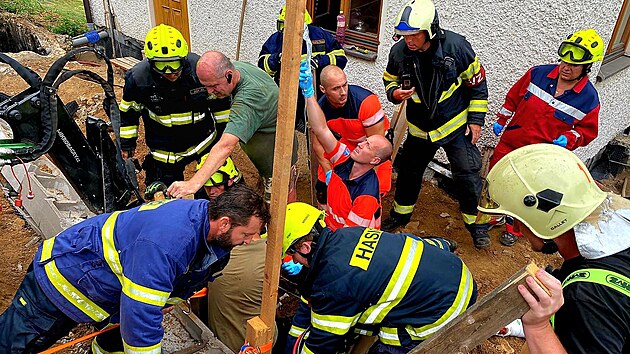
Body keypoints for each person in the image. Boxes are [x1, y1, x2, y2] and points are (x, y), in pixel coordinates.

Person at [0, 186, 269, 353]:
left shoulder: (205, 224)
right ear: (224, 223)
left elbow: (172, 287)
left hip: (100, 283)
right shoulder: (167, 243)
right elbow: (140, 314)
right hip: (60, 281)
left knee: (120, 333)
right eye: (246, 234)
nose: (250, 242)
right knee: (15, 343)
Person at [478, 143, 630, 354]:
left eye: (516, 219)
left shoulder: (587, 296)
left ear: (543, 217)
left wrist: (537, 327)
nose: (518, 227)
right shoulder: (622, 224)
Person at [282, 202, 475, 353]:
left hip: (443, 312)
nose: (295, 261)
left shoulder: (333, 283)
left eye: (292, 253)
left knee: (386, 345)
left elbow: (321, 345)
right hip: (456, 273)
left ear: (305, 248)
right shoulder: (347, 235)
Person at [381, 0, 491, 248]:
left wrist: (475, 121)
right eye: (404, 35)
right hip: (420, 130)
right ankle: (400, 214)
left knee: (467, 174)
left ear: (430, 29)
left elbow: (477, 86)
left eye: (414, 35)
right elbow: (389, 78)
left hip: (454, 126)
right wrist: (394, 93)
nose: (408, 40)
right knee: (409, 172)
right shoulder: (398, 53)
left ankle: (477, 226)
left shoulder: (457, 47)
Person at [490, 29, 603, 247]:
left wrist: (569, 139)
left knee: (524, 193)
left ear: (586, 68)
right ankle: (492, 216)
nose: (566, 68)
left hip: (540, 156)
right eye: (563, 62)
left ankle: (515, 228)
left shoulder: (589, 99)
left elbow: (587, 131)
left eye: (573, 65)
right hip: (511, 142)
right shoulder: (537, 74)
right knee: (495, 180)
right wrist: (502, 119)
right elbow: (513, 98)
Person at [167, 51, 298, 202]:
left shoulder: (249, 99)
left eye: (214, 86)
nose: (210, 92)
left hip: (277, 162)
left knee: (279, 203)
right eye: (206, 86)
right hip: (267, 154)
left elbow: (226, 146)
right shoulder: (238, 69)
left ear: (229, 75)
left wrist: (193, 183)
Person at [118, 24, 231, 194]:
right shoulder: (138, 79)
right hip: (165, 151)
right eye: (163, 66)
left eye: (175, 64)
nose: (171, 72)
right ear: (150, 62)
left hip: (203, 143)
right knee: (169, 194)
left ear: (184, 58)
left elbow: (220, 106)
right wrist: (127, 143)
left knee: (207, 190)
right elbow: (129, 112)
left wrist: (223, 140)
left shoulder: (198, 70)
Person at [300, 61, 392, 230]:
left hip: (347, 240)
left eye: (345, 85)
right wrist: (308, 95)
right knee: (323, 186)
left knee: (372, 197)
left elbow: (350, 237)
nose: (343, 93)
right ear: (323, 89)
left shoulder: (365, 103)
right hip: (358, 156)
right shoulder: (346, 156)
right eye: (336, 88)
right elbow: (320, 132)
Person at [258, 6, 347, 131]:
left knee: (319, 124)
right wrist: (277, 59)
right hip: (288, 92)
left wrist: (320, 61)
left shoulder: (319, 36)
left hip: (318, 90)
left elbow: (341, 57)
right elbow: (262, 65)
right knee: (288, 127)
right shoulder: (277, 40)